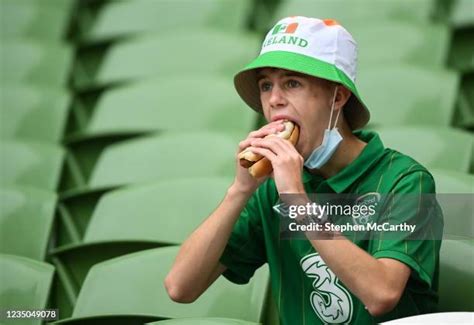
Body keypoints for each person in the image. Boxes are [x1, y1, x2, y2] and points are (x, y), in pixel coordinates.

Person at [165, 16, 443, 324]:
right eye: (266, 85)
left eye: (292, 83)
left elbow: (381, 295)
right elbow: (180, 287)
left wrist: (298, 202)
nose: (273, 100)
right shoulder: (269, 187)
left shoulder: (405, 179)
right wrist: (240, 190)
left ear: (337, 96)